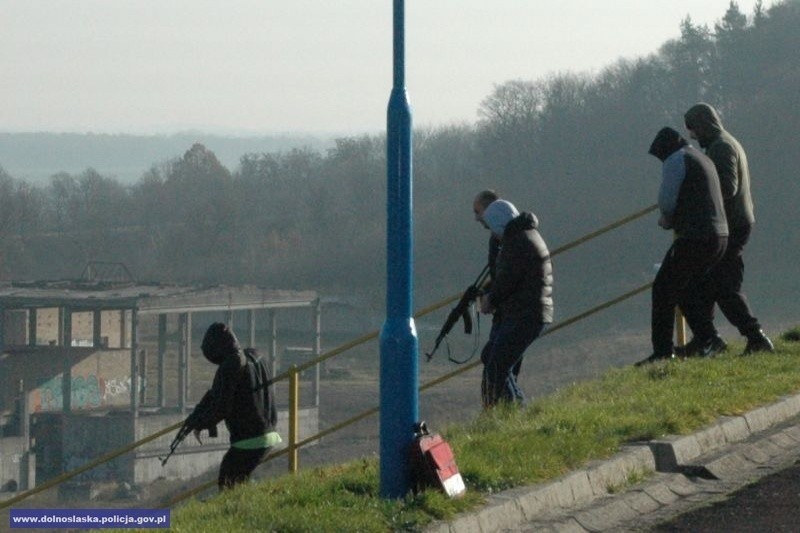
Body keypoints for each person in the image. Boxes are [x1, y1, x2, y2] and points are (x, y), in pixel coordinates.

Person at [682, 103, 774, 356]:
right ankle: (708, 339)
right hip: (735, 222)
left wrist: (697, 197)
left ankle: (753, 338)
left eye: (694, 130)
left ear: (703, 125)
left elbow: (726, 188)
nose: (693, 136)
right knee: (712, 283)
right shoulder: (724, 143)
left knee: (723, 287)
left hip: (731, 225)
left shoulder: (721, 148)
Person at [637, 127, 729, 366]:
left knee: (663, 289)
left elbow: (667, 202)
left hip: (695, 236)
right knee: (685, 289)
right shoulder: (701, 157)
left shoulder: (676, 159)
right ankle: (710, 339)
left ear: (663, 150)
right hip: (719, 235)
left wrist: (666, 219)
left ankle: (663, 352)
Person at [184, 322, 281, 490]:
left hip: (250, 438)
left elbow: (222, 407)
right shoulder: (254, 356)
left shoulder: (231, 365)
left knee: (228, 483)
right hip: (269, 432)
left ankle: (240, 512)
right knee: (237, 480)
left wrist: (200, 423)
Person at [476, 199, 553, 407]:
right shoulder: (525, 236)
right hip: (528, 312)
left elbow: (507, 280)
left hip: (525, 314)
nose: (494, 235)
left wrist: (489, 300)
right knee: (494, 359)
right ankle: (512, 409)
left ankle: (516, 410)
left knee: (497, 365)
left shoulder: (516, 243)